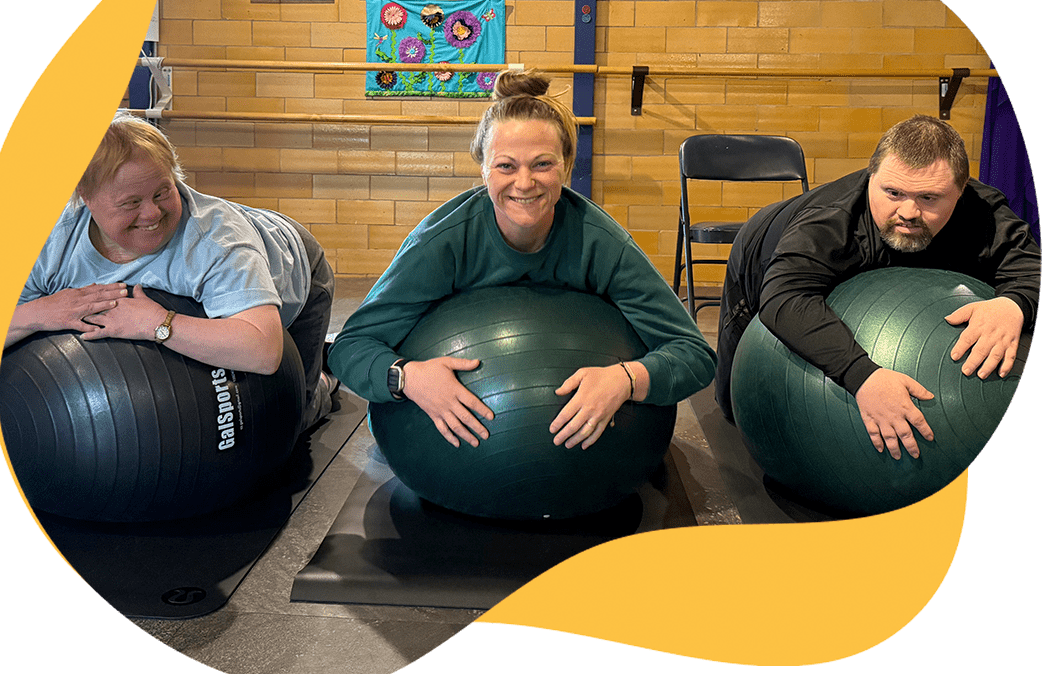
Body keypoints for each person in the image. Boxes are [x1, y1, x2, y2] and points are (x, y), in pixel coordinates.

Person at [328, 69, 716, 450]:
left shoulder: (601, 244)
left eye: (542, 164)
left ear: (566, 164)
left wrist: (628, 378)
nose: (525, 182)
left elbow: (695, 355)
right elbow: (351, 347)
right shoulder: (443, 243)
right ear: (483, 170)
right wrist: (407, 377)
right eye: (506, 166)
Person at [714, 115, 1040, 459]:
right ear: (872, 178)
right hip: (760, 252)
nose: (909, 211)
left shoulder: (984, 212)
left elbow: (1032, 269)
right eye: (893, 192)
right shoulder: (832, 221)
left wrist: (1014, 304)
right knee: (731, 407)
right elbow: (784, 298)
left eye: (929, 197)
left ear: (961, 192)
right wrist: (863, 377)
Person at [7, 112, 337, 432]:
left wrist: (158, 324)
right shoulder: (50, 241)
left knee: (291, 419)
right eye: (130, 203)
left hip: (296, 271)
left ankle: (326, 375)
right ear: (85, 196)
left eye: (163, 192)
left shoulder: (215, 242)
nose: (152, 213)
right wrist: (37, 313)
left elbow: (263, 351)